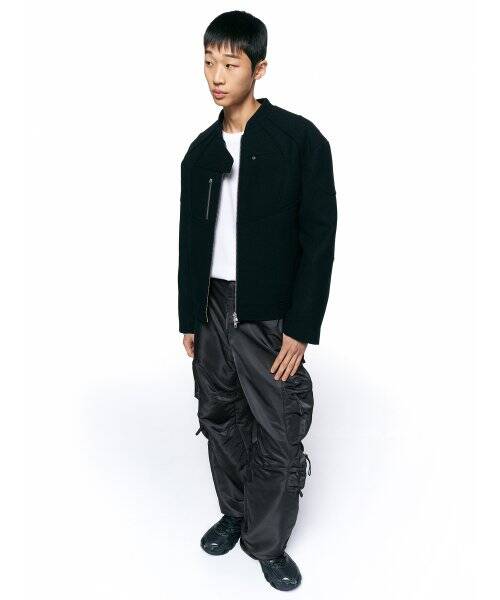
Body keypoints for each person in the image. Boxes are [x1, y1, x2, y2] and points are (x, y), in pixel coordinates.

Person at [177, 10, 337, 592]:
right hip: (211, 305)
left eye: (230, 63)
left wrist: (301, 324)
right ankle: (237, 511)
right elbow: (190, 239)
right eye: (208, 62)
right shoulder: (200, 152)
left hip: (269, 309)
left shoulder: (299, 140)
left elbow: (319, 237)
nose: (217, 76)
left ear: (259, 68)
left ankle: (267, 541)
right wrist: (188, 313)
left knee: (278, 426)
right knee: (218, 415)